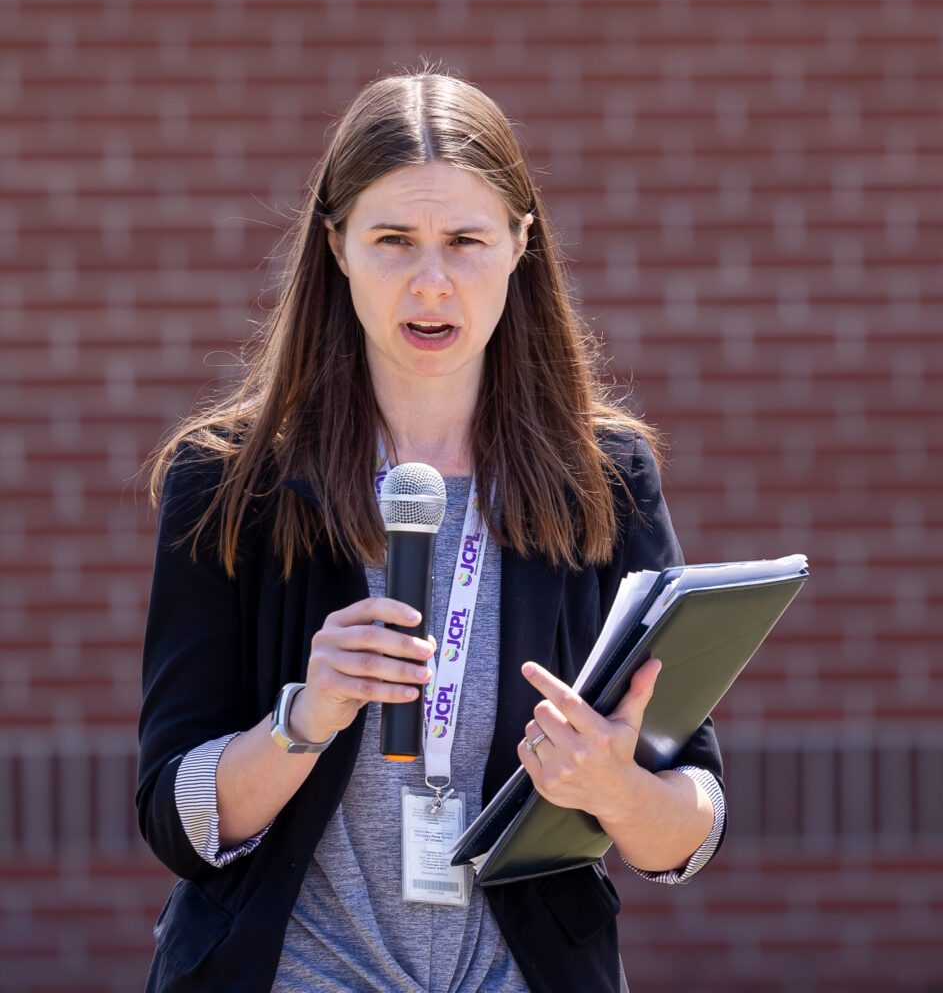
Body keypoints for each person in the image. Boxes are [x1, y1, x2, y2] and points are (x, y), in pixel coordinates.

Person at [135, 67, 726, 993]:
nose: (431, 281)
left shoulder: (603, 479)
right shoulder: (230, 481)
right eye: (393, 240)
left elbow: (689, 826)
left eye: (464, 240)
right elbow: (174, 815)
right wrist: (304, 718)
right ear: (336, 247)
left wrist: (614, 789)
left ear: (520, 245)